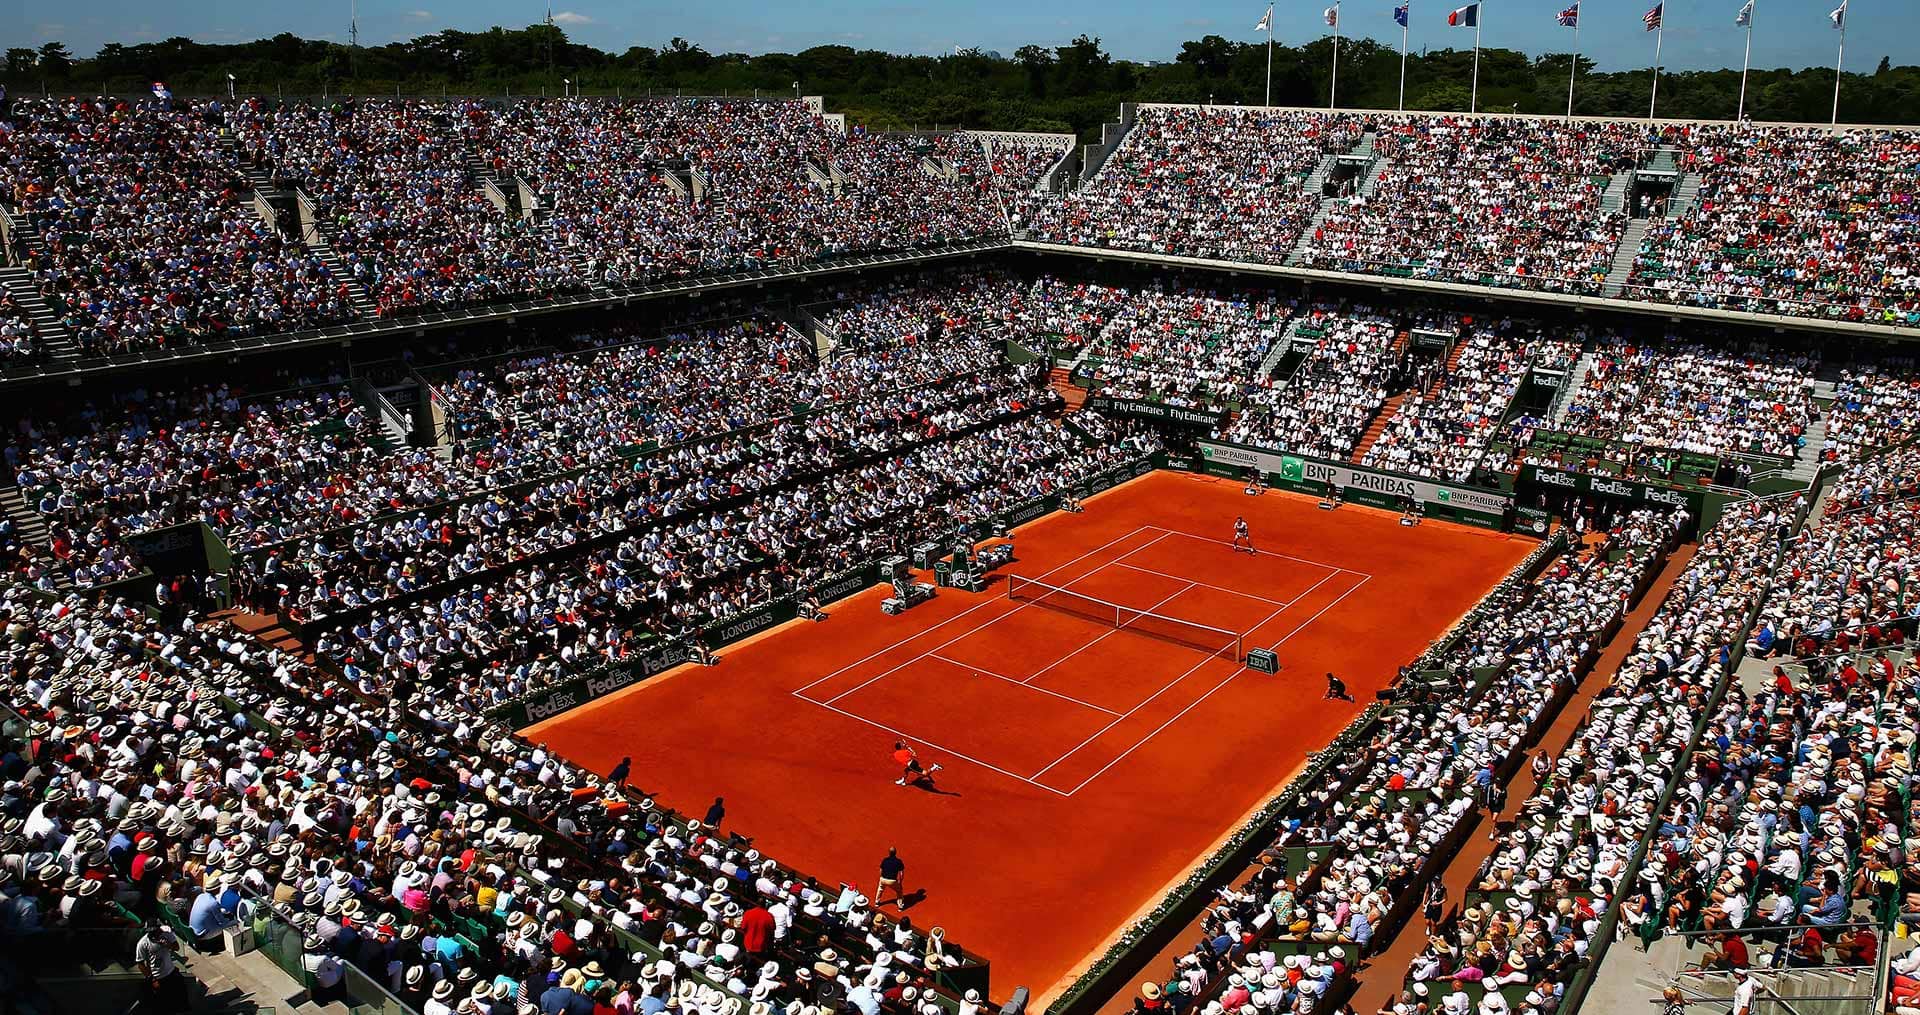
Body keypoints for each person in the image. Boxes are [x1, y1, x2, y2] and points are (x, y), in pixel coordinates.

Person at [135, 921, 189, 1015]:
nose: (155, 934)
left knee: (180, 996)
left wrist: (168, 945)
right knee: (163, 1003)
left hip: (171, 972)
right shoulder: (143, 943)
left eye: (156, 931)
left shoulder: (167, 935)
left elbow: (176, 947)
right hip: (158, 977)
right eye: (151, 932)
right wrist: (152, 979)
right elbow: (140, 964)